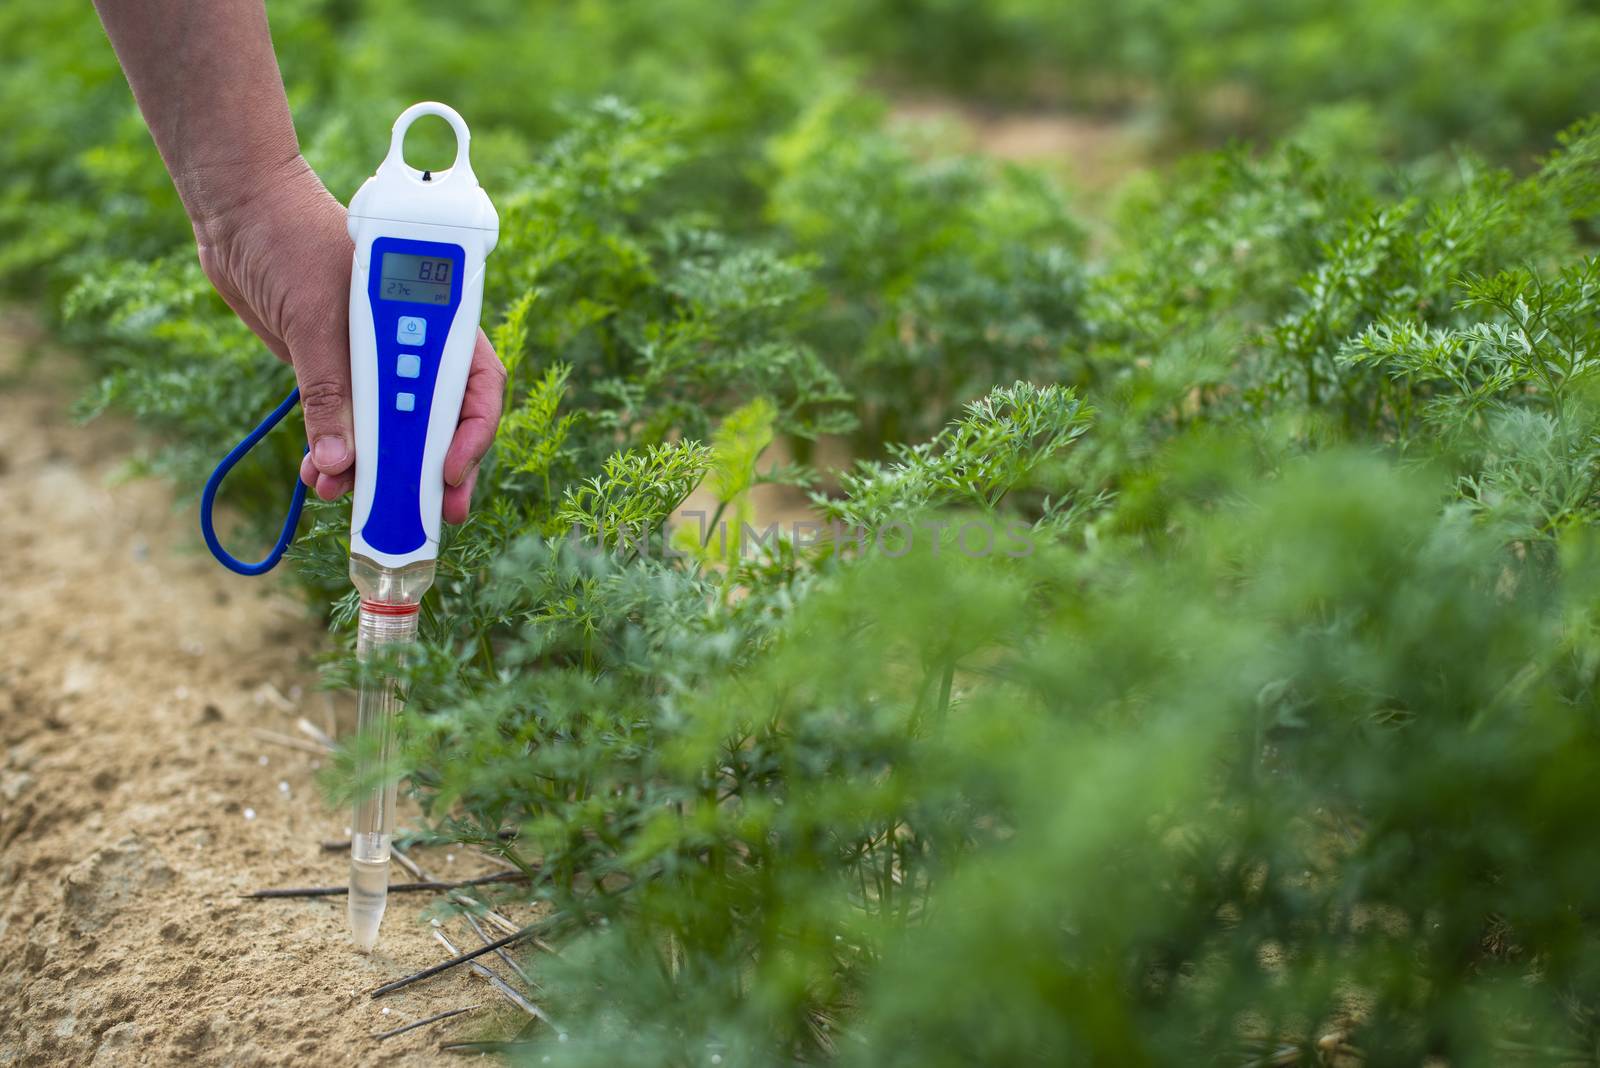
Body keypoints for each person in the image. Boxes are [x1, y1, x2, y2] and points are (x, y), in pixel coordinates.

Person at [92, 0, 503, 523]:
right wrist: (249, 198)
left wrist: (247, 198)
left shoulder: (398, 222)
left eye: (430, 277)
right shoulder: (451, 226)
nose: (417, 285)